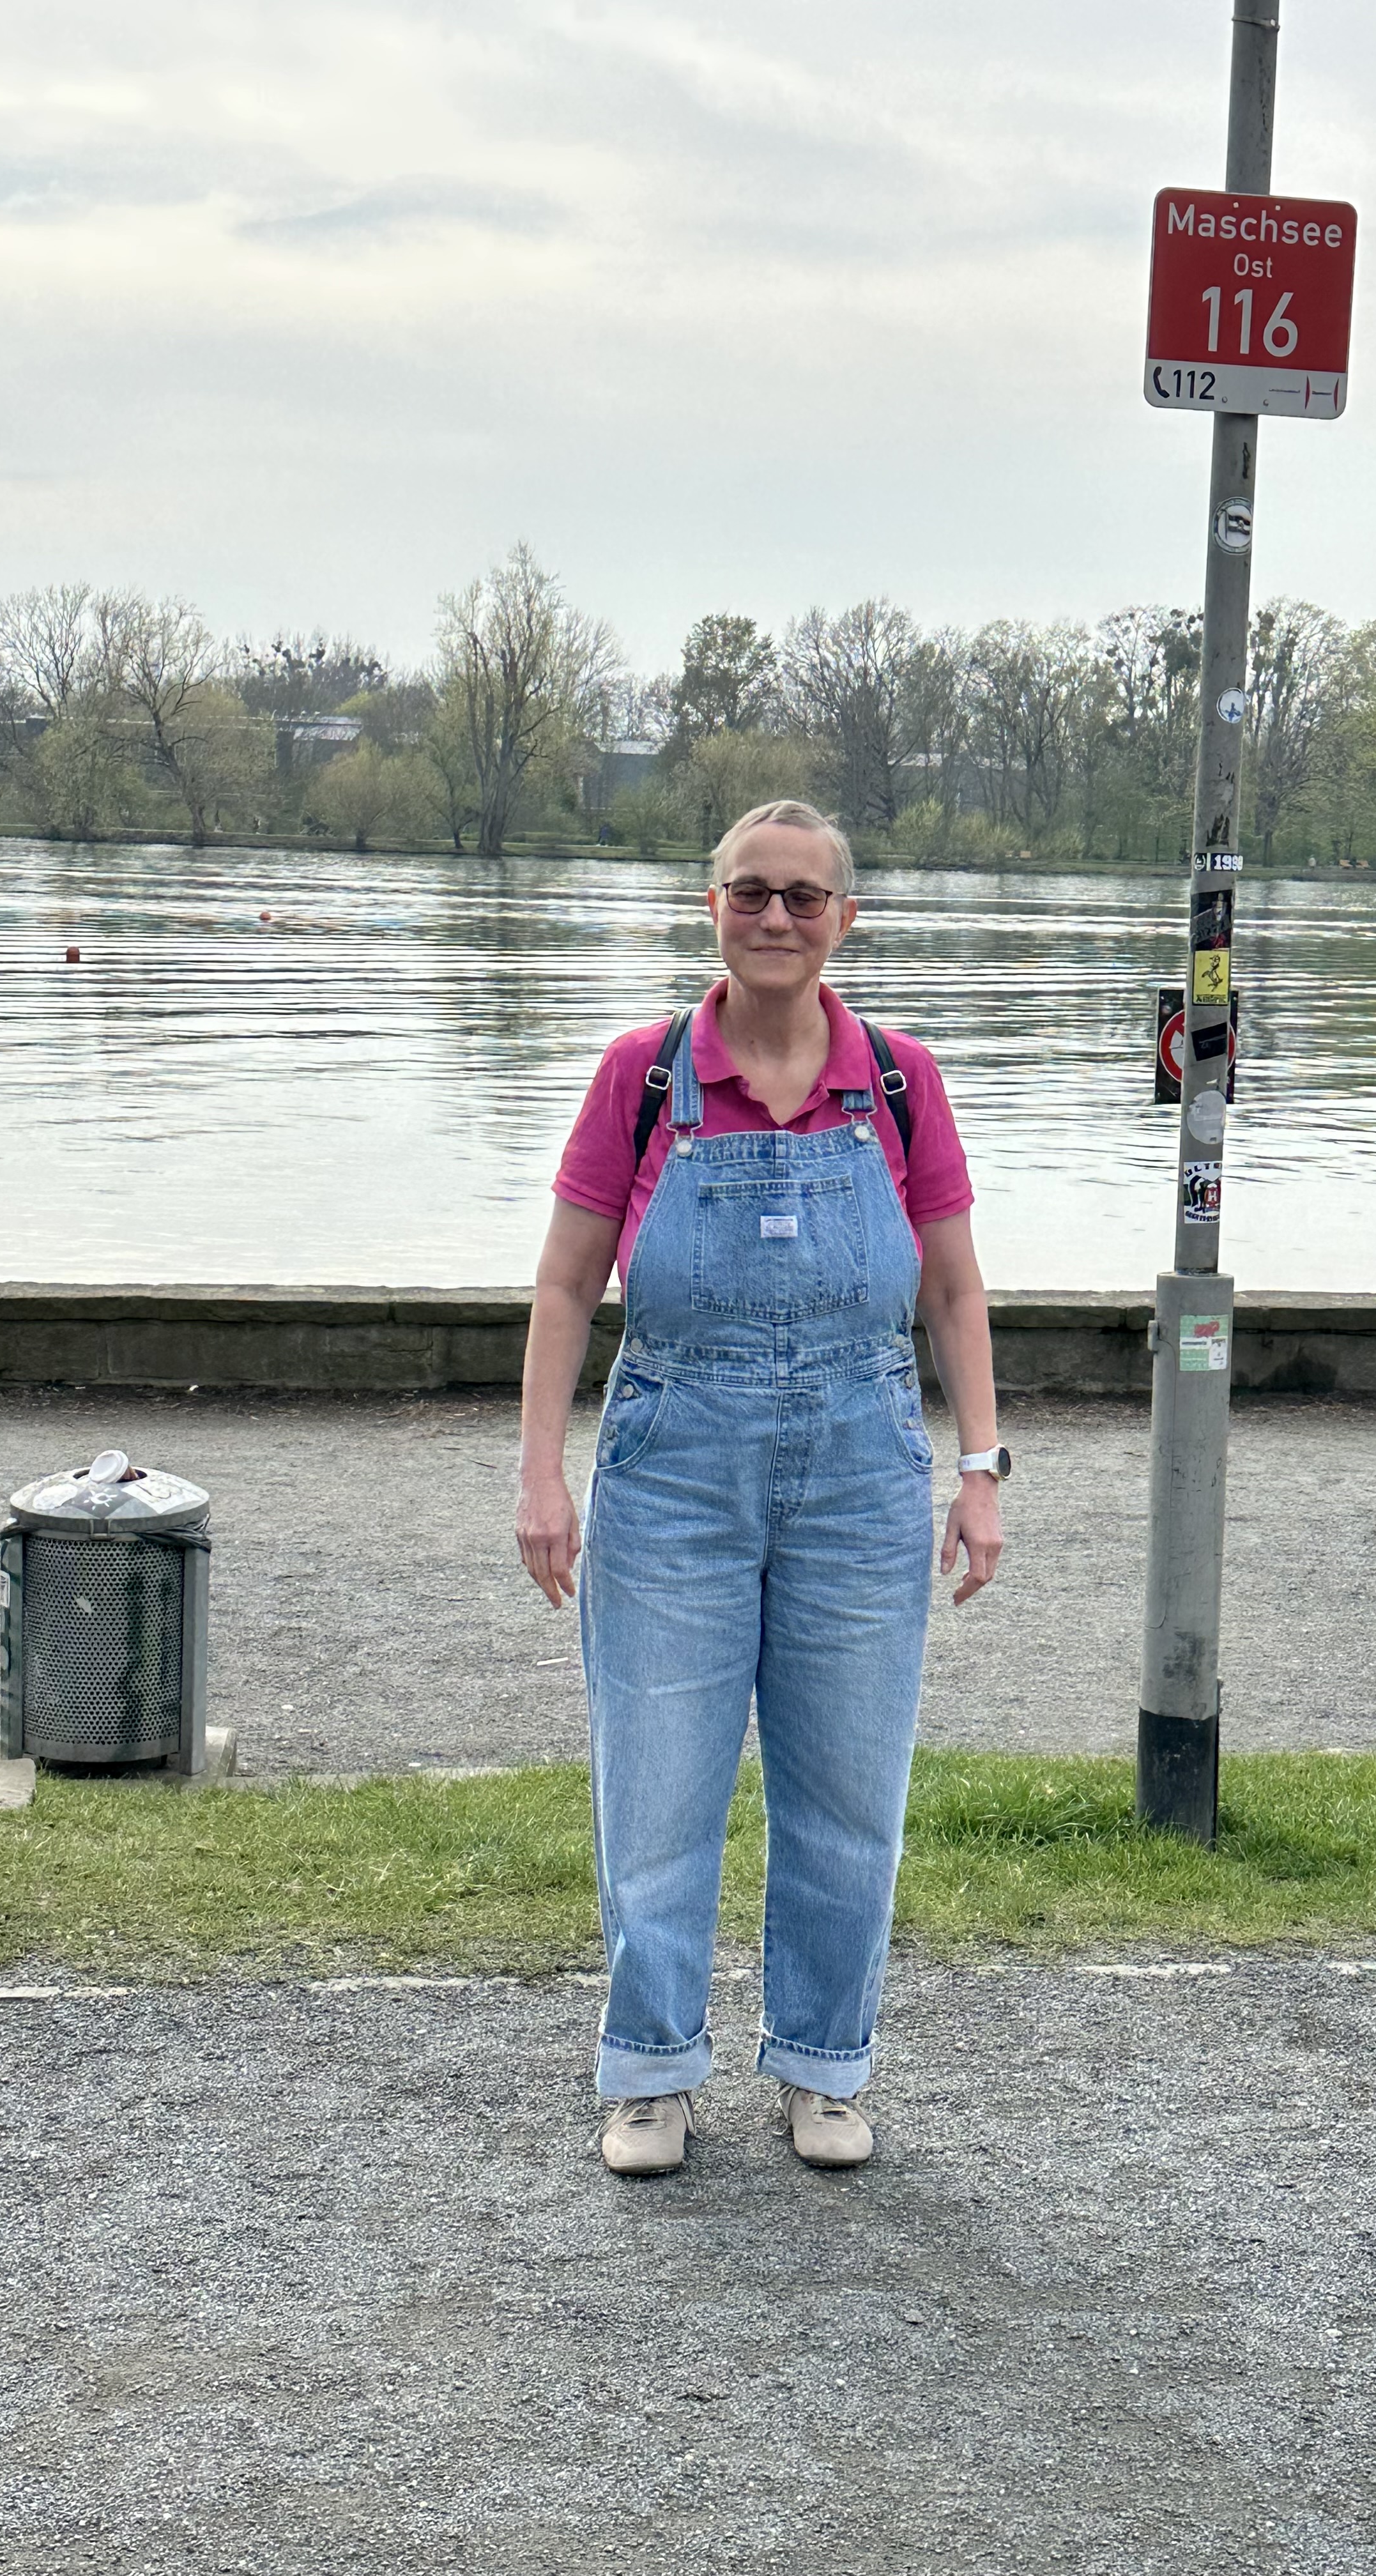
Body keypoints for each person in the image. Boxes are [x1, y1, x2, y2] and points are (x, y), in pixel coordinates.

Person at [517, 799, 1006, 2175]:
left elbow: (957, 1292)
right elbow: (566, 1284)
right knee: (658, 1787)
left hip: (861, 1468)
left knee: (849, 1792)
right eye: (751, 893)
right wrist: (542, 1474)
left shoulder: (900, 1081)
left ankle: (825, 2066)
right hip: (673, 1466)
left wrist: (978, 1471)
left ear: (846, 920)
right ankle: (652, 2073)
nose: (776, 918)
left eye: (803, 897)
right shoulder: (644, 1075)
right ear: (712, 908)